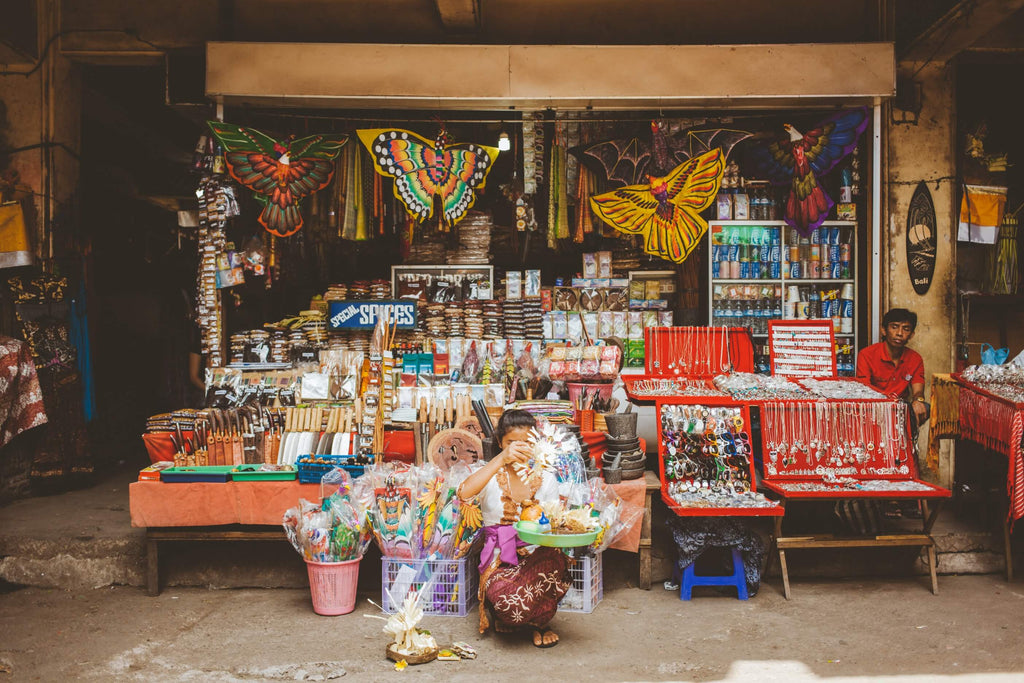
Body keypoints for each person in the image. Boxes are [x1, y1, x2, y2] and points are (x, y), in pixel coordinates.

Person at [457, 409, 570, 648]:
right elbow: (463, 493)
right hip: (500, 563)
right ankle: (509, 615)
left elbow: (553, 523)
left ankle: (537, 623)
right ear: (500, 443)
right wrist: (501, 458)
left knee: (558, 562)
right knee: (506, 601)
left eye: (525, 442)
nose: (519, 448)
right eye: (511, 443)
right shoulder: (491, 473)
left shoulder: (544, 477)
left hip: (535, 557)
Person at [856, 308, 929, 426]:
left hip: (900, 409)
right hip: (873, 409)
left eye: (906, 329)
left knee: (924, 407)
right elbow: (863, 392)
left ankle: (908, 442)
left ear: (911, 335)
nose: (900, 333)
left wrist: (918, 401)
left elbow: (918, 391)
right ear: (884, 330)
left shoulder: (915, 358)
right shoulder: (867, 355)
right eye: (894, 327)